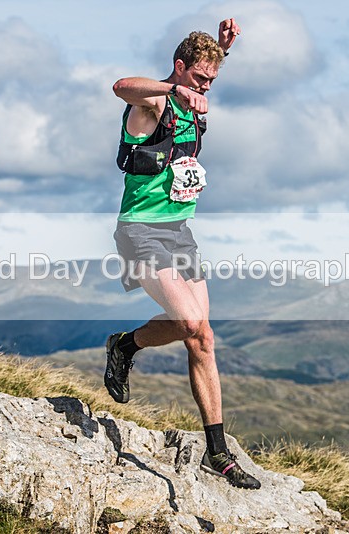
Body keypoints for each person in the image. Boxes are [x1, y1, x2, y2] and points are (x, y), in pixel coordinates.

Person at [105, 18, 261, 490]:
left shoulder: (196, 99)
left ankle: (125, 346)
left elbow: (203, 75)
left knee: (199, 333)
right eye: (198, 79)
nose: (205, 88)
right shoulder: (152, 103)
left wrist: (222, 50)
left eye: (211, 80)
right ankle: (217, 451)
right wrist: (178, 90)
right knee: (195, 328)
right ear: (178, 68)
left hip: (179, 234)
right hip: (141, 233)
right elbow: (120, 85)